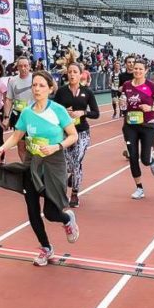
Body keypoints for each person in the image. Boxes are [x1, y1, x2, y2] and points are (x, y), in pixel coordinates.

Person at [0, 71, 79, 266]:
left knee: (50, 212)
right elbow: (17, 136)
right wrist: (1, 148)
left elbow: (73, 136)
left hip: (54, 162)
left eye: (41, 85)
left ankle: (66, 218)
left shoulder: (58, 110)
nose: (37, 89)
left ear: (50, 88)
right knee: (32, 209)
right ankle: (46, 248)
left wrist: (56, 147)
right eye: (34, 85)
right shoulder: (27, 112)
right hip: (33, 163)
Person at [52, 63, 99, 208]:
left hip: (81, 132)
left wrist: (83, 112)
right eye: (70, 72)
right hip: (65, 133)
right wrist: (63, 112)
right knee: (67, 164)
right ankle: (69, 179)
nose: (72, 75)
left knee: (76, 162)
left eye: (75, 72)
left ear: (80, 75)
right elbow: (53, 111)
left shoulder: (87, 92)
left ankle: (74, 193)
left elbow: (96, 113)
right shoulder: (61, 92)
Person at [119, 61, 154, 199]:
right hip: (130, 126)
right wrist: (122, 105)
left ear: (145, 71)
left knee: (144, 160)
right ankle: (139, 188)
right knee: (132, 156)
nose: (137, 71)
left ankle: (151, 159)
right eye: (136, 68)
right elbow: (123, 103)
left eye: (140, 69)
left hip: (147, 125)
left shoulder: (151, 86)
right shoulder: (126, 85)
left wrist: (151, 108)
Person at [2, 57, 34, 159]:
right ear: (17, 67)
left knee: (33, 146)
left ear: (29, 66)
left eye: (25, 66)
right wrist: (6, 117)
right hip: (18, 116)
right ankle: (26, 170)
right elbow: (8, 100)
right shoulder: (12, 81)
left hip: (33, 116)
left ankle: (35, 170)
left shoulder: (35, 78)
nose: (23, 68)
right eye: (20, 66)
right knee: (20, 146)